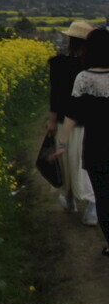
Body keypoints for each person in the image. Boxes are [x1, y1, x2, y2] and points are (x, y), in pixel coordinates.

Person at [55, 27, 109, 257]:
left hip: (96, 147)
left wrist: (62, 144)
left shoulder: (83, 79)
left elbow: (72, 115)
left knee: (104, 199)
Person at [48, 20, 97, 224]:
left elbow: (56, 97)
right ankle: (92, 209)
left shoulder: (60, 64)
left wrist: (51, 121)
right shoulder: (95, 67)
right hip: (91, 124)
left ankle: (70, 200)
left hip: (65, 122)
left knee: (67, 162)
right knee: (87, 164)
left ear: (70, 40)